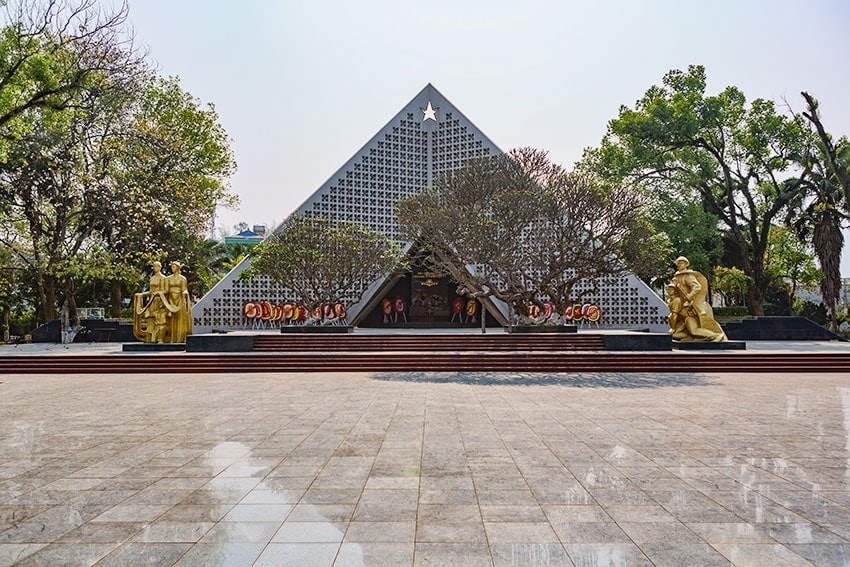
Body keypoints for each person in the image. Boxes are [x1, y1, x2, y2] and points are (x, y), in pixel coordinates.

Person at [669, 256, 727, 342]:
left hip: (690, 309)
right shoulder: (678, 277)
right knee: (675, 334)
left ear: (686, 264)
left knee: (694, 330)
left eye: (681, 263)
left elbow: (697, 287)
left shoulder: (687, 276)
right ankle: (689, 336)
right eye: (678, 263)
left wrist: (689, 297)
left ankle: (716, 336)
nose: (679, 265)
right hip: (683, 311)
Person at [133, 261, 169, 343]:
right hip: (151, 301)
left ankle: (160, 338)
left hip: (160, 301)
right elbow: (150, 291)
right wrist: (141, 294)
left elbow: (166, 290)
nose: (155, 268)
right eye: (154, 266)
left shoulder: (163, 278)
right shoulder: (152, 278)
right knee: (149, 318)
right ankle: (149, 336)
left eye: (157, 266)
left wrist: (158, 293)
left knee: (159, 319)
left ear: (160, 267)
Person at [166, 261, 192, 343]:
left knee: (180, 319)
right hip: (170, 299)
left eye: (174, 267)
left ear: (178, 268)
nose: (172, 268)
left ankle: (180, 338)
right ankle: (171, 338)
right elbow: (166, 290)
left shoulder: (182, 278)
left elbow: (184, 289)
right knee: (171, 319)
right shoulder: (168, 278)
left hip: (179, 299)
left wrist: (185, 293)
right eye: (172, 267)